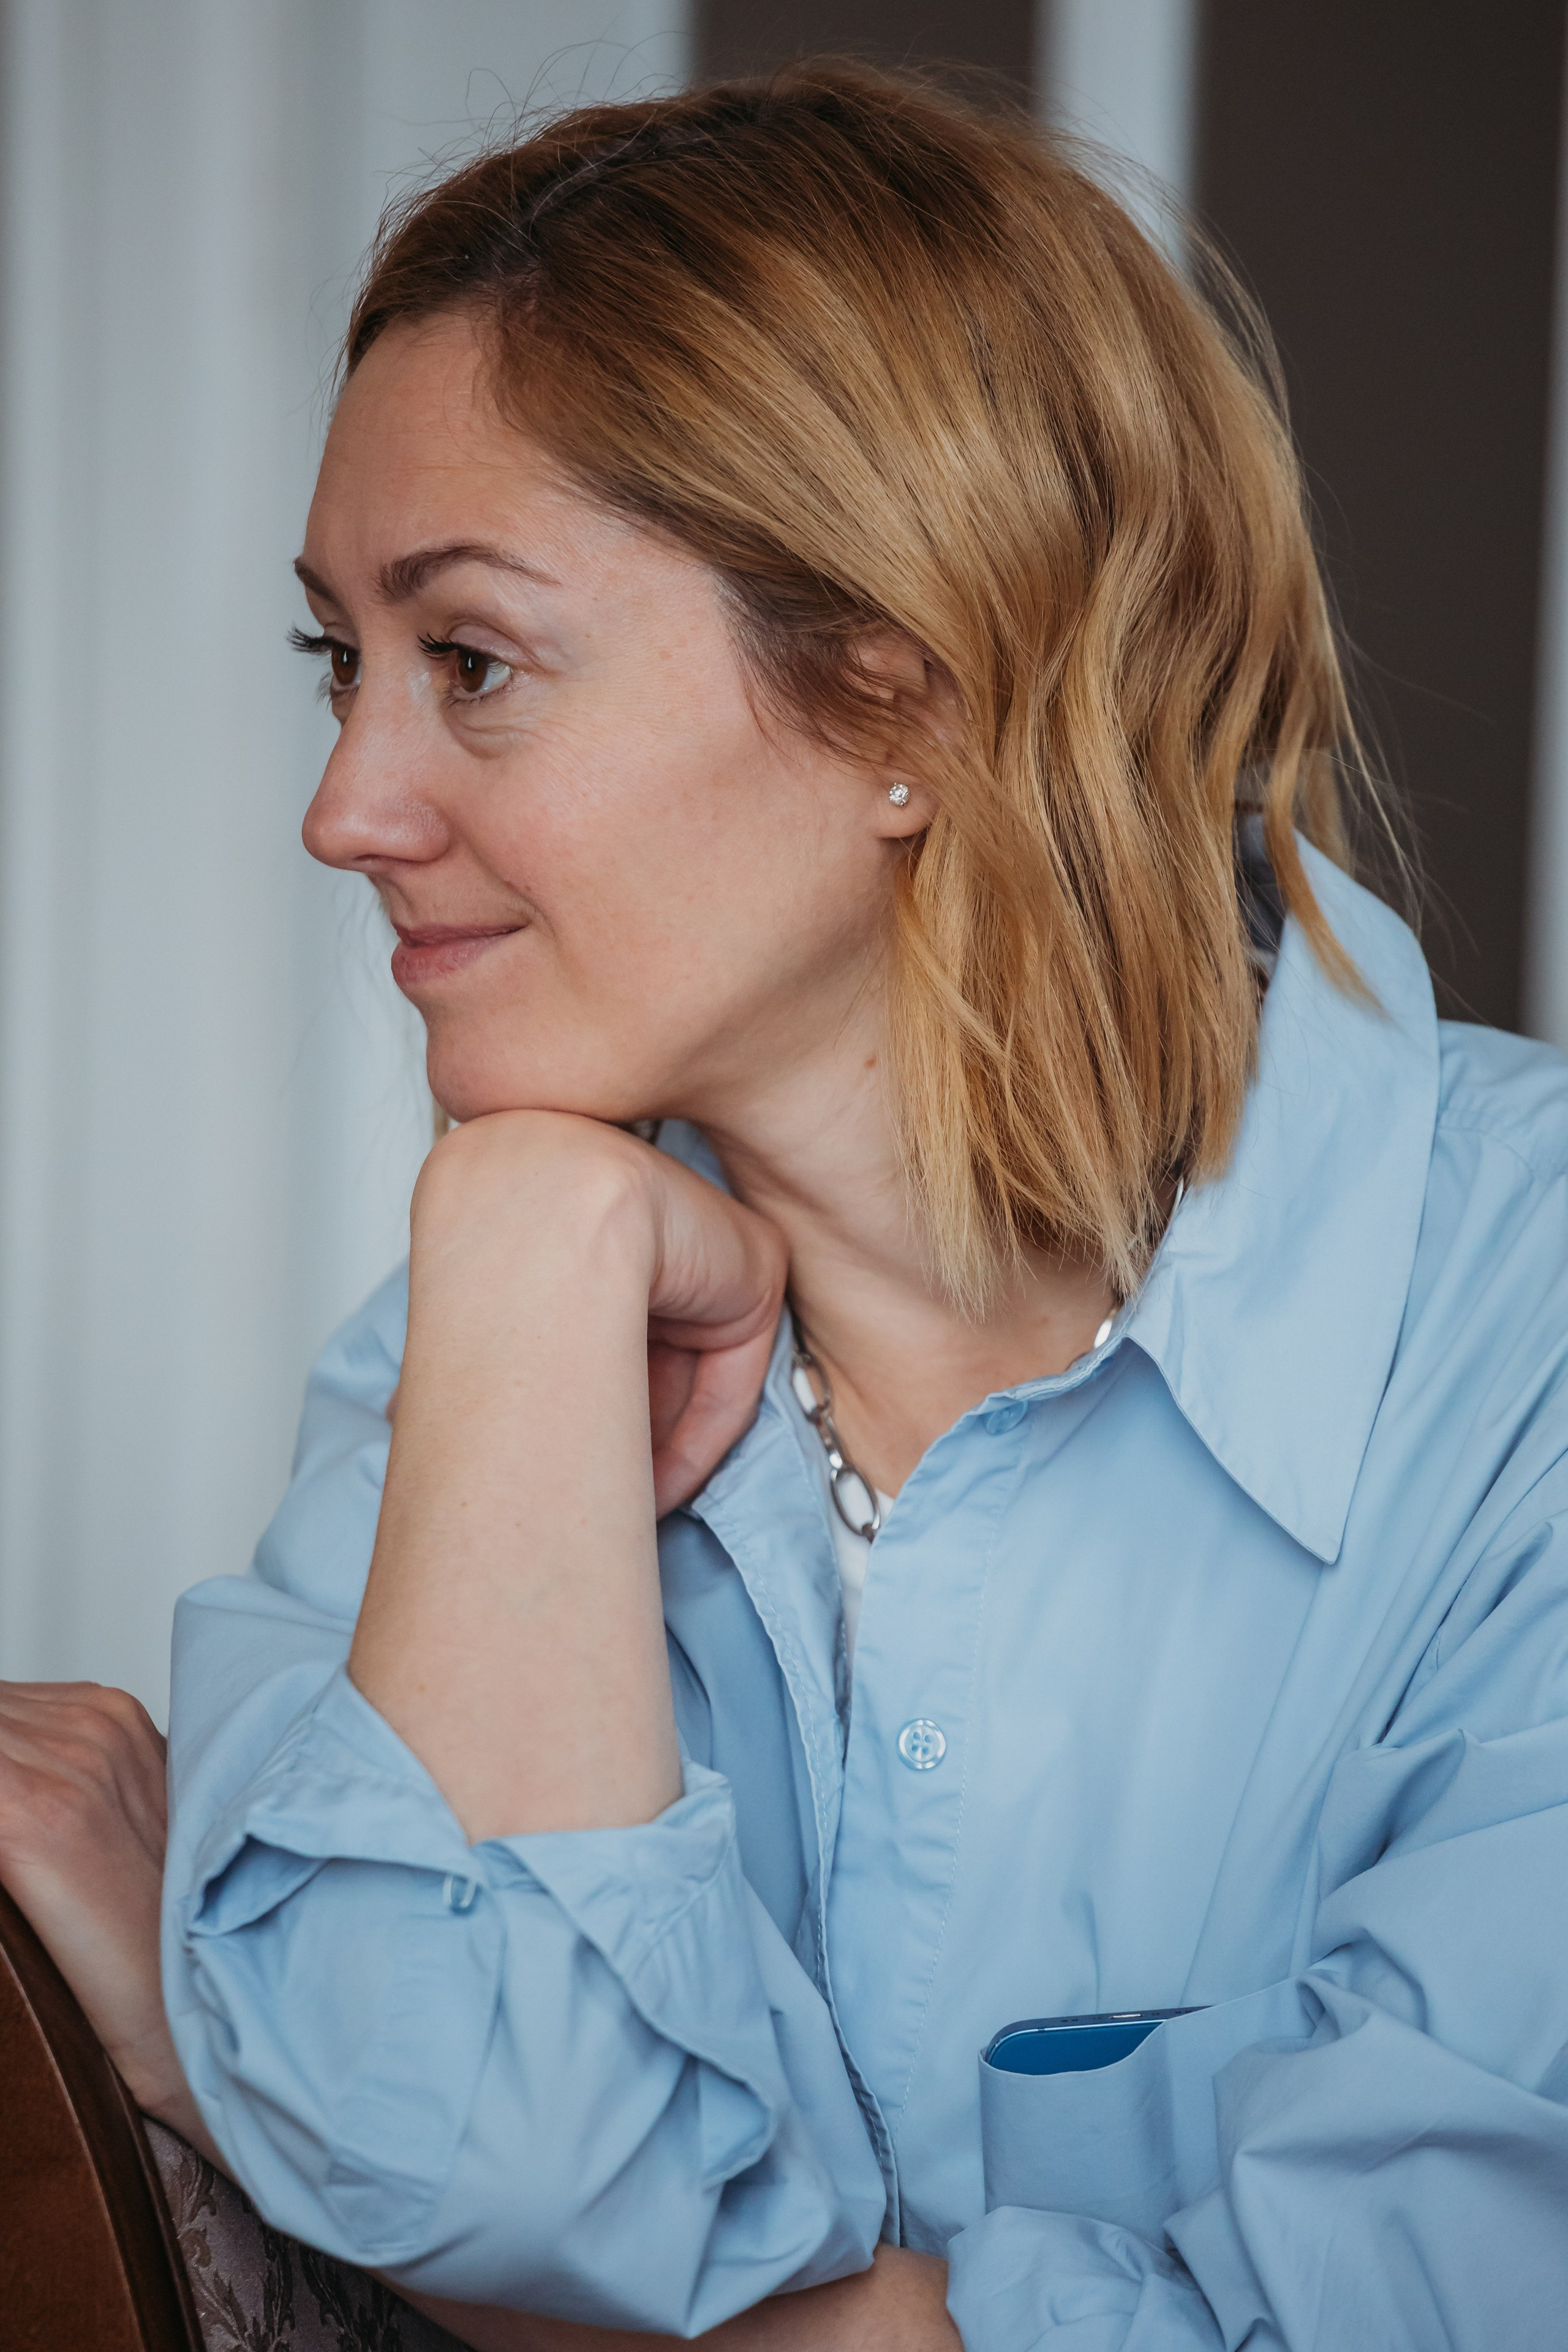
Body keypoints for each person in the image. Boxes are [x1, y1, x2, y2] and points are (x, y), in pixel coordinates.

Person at [4, 60, 1568, 2352]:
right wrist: (526, 1254)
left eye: (474, 662)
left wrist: (260, 2071)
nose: (346, 804)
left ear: (902, 681)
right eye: (342, 663)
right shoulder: (474, 1341)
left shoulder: (1519, 1338)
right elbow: (492, 2177)